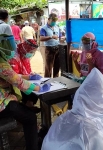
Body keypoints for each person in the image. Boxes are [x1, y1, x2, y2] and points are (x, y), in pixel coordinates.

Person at [41, 68, 103, 150]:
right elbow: (92, 140)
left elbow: (89, 144)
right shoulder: (89, 130)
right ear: (99, 106)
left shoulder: (64, 118)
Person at [0, 9, 51, 150]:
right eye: (8, 40)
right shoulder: (2, 62)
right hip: (2, 103)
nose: (12, 43)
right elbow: (17, 81)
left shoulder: (4, 58)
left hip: (6, 97)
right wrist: (39, 88)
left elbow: (14, 77)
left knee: (25, 107)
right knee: (30, 117)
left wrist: (30, 77)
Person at [8, 39, 41, 113]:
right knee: (31, 89)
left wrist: (31, 74)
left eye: (33, 52)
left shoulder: (24, 55)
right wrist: (29, 77)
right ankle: (26, 107)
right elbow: (13, 76)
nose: (31, 54)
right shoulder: (14, 56)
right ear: (25, 49)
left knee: (34, 89)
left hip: (23, 79)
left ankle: (29, 105)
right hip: (14, 82)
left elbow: (26, 70)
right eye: (31, 52)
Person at [40, 13, 60, 78]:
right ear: (49, 19)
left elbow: (59, 36)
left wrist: (62, 38)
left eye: (55, 21)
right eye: (53, 21)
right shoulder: (44, 28)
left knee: (57, 67)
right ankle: (47, 82)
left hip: (57, 48)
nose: (54, 22)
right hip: (49, 49)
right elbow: (41, 38)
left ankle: (56, 81)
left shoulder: (57, 27)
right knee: (48, 68)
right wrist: (51, 37)